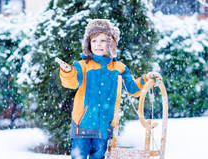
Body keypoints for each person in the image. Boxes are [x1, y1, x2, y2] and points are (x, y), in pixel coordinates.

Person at [56, 19, 162, 159]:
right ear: (88, 44)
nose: (98, 45)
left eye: (102, 41)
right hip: (82, 123)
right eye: (93, 41)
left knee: (99, 155)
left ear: (111, 43)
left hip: (104, 126)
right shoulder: (82, 65)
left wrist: (146, 79)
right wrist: (68, 73)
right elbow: (72, 83)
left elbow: (134, 89)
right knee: (79, 156)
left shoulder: (119, 68)